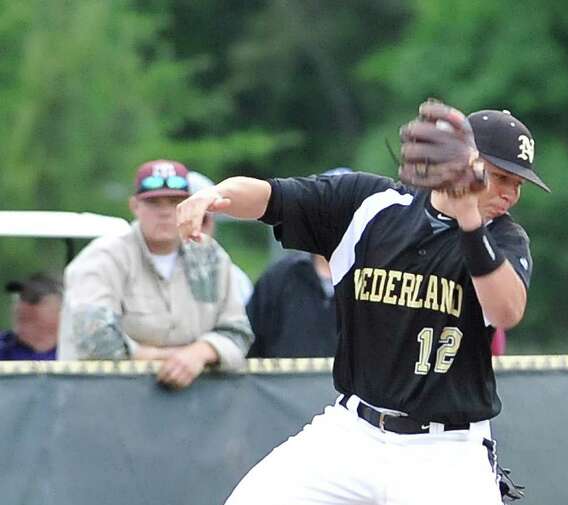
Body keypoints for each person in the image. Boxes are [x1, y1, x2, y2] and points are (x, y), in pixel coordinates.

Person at [180, 105, 548, 505]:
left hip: (445, 451)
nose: (512, 193)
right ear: (461, 165)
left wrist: (472, 220)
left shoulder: (502, 240)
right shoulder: (369, 206)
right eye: (501, 176)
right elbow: (274, 197)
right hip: (356, 431)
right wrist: (214, 198)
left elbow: (505, 309)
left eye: (518, 183)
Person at [58, 159, 252, 389]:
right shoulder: (102, 258)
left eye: (175, 202)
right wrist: (170, 359)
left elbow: (239, 333)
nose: (165, 212)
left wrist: (201, 353)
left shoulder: (211, 258)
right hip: (107, 395)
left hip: (194, 401)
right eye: (153, 202)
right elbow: (94, 340)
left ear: (191, 205)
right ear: (135, 206)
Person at [244, 169, 353, 358]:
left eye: (347, 211)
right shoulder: (278, 278)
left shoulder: (379, 280)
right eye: (328, 209)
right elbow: (247, 344)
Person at [187, 171, 255, 306]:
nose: (195, 230)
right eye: (186, 220)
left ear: (213, 222)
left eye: (202, 220)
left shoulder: (234, 280)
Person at [1, 272, 61, 360]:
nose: (23, 307)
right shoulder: (4, 347)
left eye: (34, 300)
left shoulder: (76, 353)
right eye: (20, 298)